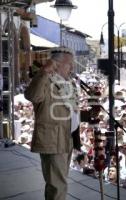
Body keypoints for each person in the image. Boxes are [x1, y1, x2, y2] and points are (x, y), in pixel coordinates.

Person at [24, 47, 79, 200]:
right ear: (56, 64)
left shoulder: (67, 83)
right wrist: (43, 72)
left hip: (66, 138)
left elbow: (71, 110)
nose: (72, 67)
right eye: (69, 64)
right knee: (57, 185)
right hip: (53, 139)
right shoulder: (46, 81)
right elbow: (32, 95)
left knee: (59, 182)